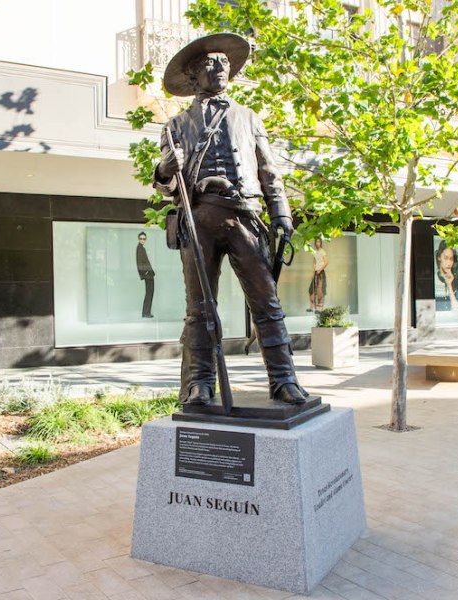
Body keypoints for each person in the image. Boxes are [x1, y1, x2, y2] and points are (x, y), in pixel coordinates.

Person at [153, 32, 308, 406]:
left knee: (267, 303)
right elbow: (166, 186)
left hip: (246, 217)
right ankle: (199, 384)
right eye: (210, 62)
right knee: (199, 310)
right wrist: (165, 170)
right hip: (199, 220)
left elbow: (269, 171)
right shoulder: (175, 126)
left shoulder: (249, 117)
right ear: (193, 75)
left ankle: (284, 380)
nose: (220, 66)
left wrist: (281, 213)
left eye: (224, 61)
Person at [434, 241, 458, 311]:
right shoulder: (434, 280)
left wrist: (449, 285)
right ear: (439, 257)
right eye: (446, 258)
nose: (448, 263)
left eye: (451, 259)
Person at [136, 231, 155, 318]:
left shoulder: (141, 248)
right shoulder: (139, 249)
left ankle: (145, 312)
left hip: (149, 274)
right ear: (138, 239)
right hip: (147, 274)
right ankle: (146, 313)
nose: (142, 240)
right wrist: (145, 272)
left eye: (144, 239)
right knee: (149, 293)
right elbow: (139, 262)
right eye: (141, 238)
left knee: (149, 293)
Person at [307, 237, 328, 313]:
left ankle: (319, 309)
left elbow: (326, 262)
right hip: (316, 272)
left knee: (320, 291)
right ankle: (311, 307)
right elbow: (314, 263)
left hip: (321, 273)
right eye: (316, 242)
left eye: (319, 242)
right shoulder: (315, 252)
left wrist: (320, 269)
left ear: (321, 243)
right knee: (311, 290)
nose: (317, 243)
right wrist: (313, 273)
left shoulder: (323, 251)